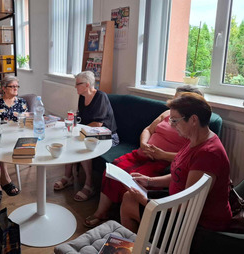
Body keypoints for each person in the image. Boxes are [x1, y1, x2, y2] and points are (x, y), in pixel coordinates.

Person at [84, 85, 202, 227]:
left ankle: (125, 213)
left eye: (178, 100)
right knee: (114, 167)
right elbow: (148, 129)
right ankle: (102, 212)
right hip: (142, 153)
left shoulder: (191, 126)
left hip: (161, 162)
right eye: (174, 98)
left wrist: (163, 155)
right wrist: (144, 143)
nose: (173, 104)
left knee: (131, 177)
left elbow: (188, 157)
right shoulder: (166, 113)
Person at [121, 92, 231, 233]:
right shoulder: (194, 140)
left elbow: (187, 204)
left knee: (130, 203)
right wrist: (149, 181)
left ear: (193, 120)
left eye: (174, 121)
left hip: (197, 221)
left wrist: (145, 200)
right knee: (129, 196)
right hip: (179, 204)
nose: (172, 126)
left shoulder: (208, 154)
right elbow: (180, 174)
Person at [54, 71, 119, 202]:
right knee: (68, 138)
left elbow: (98, 123)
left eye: (77, 84)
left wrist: (79, 132)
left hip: (108, 136)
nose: (75, 87)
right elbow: (81, 118)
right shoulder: (82, 97)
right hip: (90, 133)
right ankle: (68, 177)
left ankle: (89, 185)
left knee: (82, 145)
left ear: (87, 85)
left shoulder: (101, 96)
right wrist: (68, 122)